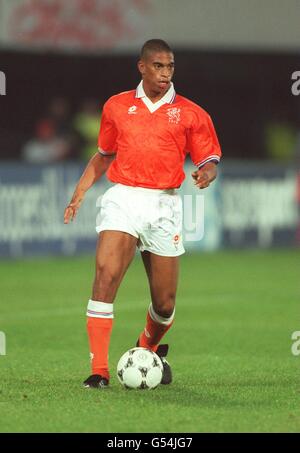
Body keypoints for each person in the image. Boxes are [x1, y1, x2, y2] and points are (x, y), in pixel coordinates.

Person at [64, 39, 222, 389]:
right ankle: (99, 371)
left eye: (170, 67)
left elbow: (209, 159)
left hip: (164, 204)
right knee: (105, 278)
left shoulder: (192, 113)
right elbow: (104, 154)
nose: (165, 73)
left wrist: (206, 175)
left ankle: (148, 346)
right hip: (122, 198)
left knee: (164, 304)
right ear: (142, 67)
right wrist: (79, 193)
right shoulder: (117, 106)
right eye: (158, 66)